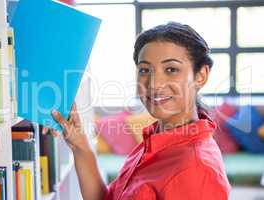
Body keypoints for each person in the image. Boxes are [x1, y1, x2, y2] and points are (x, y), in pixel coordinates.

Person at [50, 22, 231, 200]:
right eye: (144, 70)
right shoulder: (154, 141)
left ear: (200, 76)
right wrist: (80, 145)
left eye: (171, 69)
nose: (154, 84)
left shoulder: (196, 170)